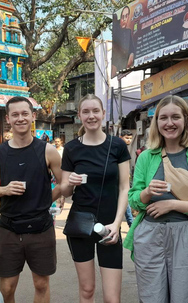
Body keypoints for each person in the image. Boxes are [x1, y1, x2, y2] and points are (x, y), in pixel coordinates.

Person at [124, 95, 188, 303]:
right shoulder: (146, 157)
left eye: (175, 117)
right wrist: (147, 192)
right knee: (151, 299)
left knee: (185, 298)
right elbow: (133, 200)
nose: (169, 123)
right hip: (149, 236)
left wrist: (173, 204)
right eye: (163, 117)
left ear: (186, 120)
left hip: (187, 236)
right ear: (156, 122)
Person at [0, 96, 63, 303]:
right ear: (8, 118)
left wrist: (46, 201)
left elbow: (65, 183)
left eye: (25, 114)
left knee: (41, 284)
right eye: (15, 115)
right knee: (7, 287)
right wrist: (6, 189)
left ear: (33, 116)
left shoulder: (48, 150)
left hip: (41, 228)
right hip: (9, 229)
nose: (20, 118)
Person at [60, 94, 130, 303]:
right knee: (87, 290)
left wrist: (117, 224)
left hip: (110, 225)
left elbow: (125, 187)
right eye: (86, 112)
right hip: (81, 225)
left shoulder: (117, 145)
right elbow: (65, 191)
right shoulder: (72, 148)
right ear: (80, 115)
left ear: (103, 114)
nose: (91, 116)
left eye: (95, 111)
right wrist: (70, 182)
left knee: (112, 298)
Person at [111, 6, 135, 77]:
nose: (124, 19)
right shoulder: (116, 32)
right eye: (122, 17)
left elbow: (132, 49)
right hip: (117, 65)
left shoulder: (129, 32)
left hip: (127, 67)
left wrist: (131, 55)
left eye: (126, 16)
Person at [120, 129, 135, 227]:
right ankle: (132, 225)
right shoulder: (119, 148)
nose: (129, 140)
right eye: (126, 138)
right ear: (121, 137)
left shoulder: (125, 148)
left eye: (130, 138)